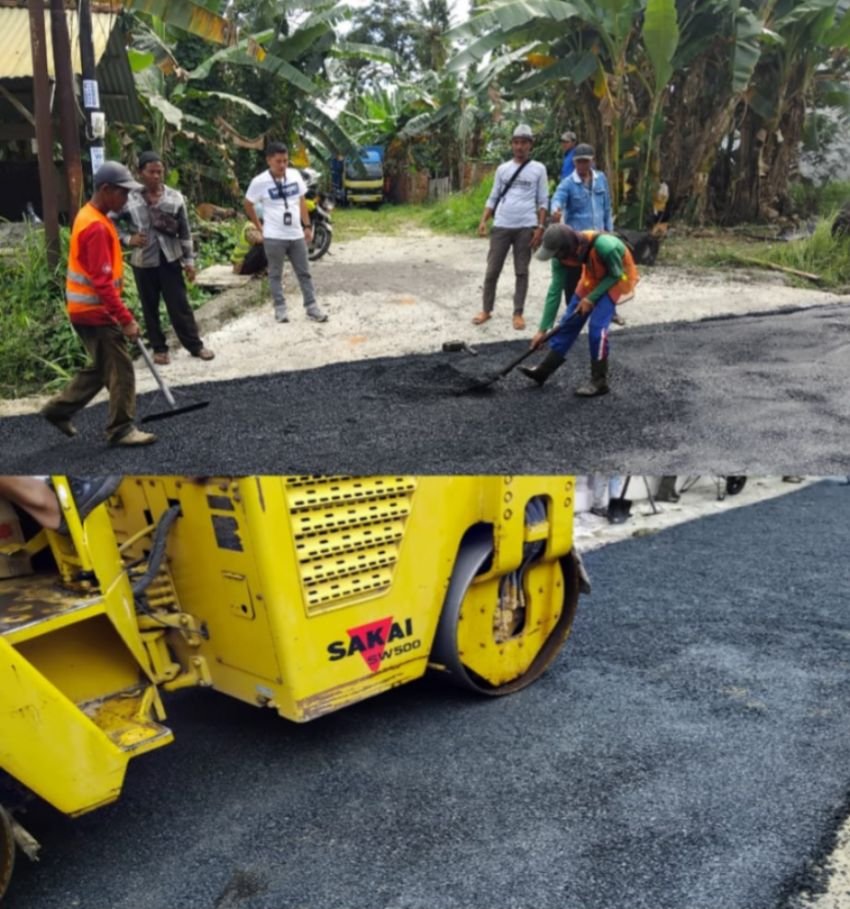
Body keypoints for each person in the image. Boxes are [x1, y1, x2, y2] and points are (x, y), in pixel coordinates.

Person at [40, 162, 156, 446]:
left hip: (86, 310)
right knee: (122, 369)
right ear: (106, 190)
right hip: (94, 311)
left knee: (105, 364)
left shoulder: (91, 216)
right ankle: (121, 430)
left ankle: (58, 409)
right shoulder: (96, 227)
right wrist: (126, 319)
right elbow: (102, 283)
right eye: (123, 193)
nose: (126, 199)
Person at [118, 151, 214, 366]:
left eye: (159, 172)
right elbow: (110, 222)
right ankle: (159, 349)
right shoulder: (128, 199)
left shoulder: (175, 197)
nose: (156, 176)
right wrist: (127, 238)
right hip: (143, 261)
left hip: (170, 259)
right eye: (151, 172)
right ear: (140, 173)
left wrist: (189, 262)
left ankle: (195, 345)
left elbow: (185, 233)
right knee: (149, 305)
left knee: (179, 304)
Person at [520, 224, 639, 396]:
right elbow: (555, 290)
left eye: (558, 255)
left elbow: (615, 275)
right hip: (592, 275)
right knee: (569, 321)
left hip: (618, 277)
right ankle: (543, 371)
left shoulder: (606, 246)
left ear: (568, 249)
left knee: (597, 329)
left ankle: (599, 381)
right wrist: (542, 330)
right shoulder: (559, 257)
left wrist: (591, 298)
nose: (557, 259)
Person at [472, 124, 549, 331]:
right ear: (511, 145)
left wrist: (540, 227)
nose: (519, 146)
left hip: (526, 226)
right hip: (502, 225)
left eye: (524, 142)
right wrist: (483, 220)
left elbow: (543, 200)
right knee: (492, 271)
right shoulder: (503, 169)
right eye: (516, 142)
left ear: (530, 145)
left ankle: (518, 313)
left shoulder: (539, 169)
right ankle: (486, 310)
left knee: (521, 271)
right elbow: (493, 196)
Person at [244, 142, 327, 324]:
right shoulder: (259, 182)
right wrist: (259, 226)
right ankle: (280, 309)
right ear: (269, 161)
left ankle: (312, 307)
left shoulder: (294, 175)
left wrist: (306, 226)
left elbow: (301, 201)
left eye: (285, 161)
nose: (282, 165)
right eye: (278, 161)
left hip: (296, 234)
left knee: (304, 272)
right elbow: (248, 203)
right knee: (275, 274)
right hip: (274, 237)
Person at [549, 143, 616, 317]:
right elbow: (557, 199)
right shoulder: (568, 183)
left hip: (600, 237)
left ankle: (608, 310)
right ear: (574, 162)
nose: (582, 166)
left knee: (603, 274)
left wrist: (610, 231)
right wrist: (555, 211)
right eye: (579, 162)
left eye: (586, 162)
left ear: (592, 161)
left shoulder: (601, 179)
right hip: (579, 241)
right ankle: (574, 310)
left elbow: (607, 207)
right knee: (575, 277)